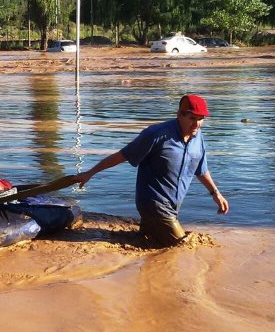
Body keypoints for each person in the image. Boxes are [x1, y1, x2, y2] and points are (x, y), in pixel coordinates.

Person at [75, 94, 229, 246]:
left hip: (173, 205)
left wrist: (215, 193)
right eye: (192, 118)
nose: (197, 124)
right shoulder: (156, 135)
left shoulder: (197, 136)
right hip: (153, 203)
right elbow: (123, 155)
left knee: (152, 243)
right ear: (179, 115)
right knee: (181, 247)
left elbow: (201, 169)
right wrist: (90, 173)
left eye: (201, 118)